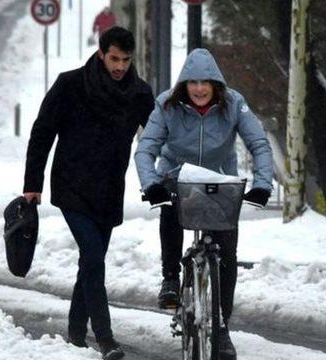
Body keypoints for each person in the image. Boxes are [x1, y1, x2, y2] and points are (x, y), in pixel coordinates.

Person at [23, 27, 154, 360]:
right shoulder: (71, 85)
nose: (120, 66)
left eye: (126, 59)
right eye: (114, 58)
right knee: (94, 257)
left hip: (109, 188)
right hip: (72, 185)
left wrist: (165, 173)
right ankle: (105, 338)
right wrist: (32, 184)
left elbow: (156, 136)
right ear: (101, 53)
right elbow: (42, 132)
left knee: (91, 262)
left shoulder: (139, 94)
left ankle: (76, 333)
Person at [134, 48, 273, 360]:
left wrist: (263, 184)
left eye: (205, 82)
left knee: (227, 252)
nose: (198, 88)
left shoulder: (235, 103)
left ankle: (221, 328)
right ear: (184, 83)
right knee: (169, 207)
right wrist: (151, 184)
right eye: (192, 82)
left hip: (219, 182)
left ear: (216, 84)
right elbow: (146, 149)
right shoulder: (166, 105)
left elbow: (259, 144)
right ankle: (170, 278)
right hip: (176, 178)